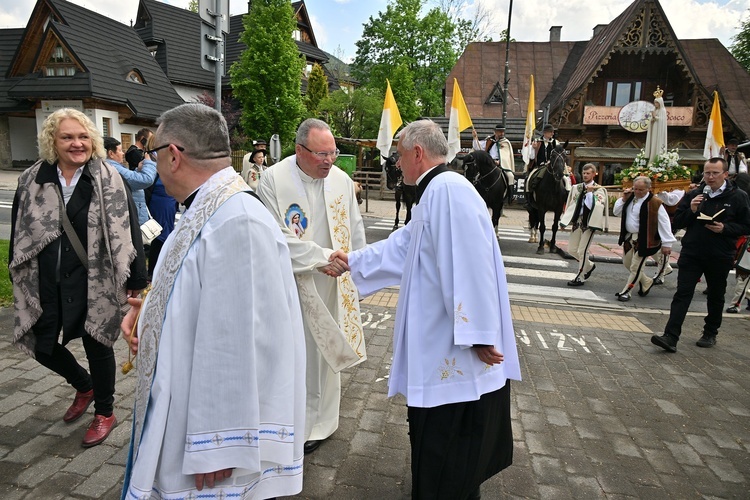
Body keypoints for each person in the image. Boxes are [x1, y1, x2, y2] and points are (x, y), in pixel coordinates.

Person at [120, 103, 306, 499]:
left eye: (155, 153)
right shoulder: (207, 207)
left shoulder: (236, 219)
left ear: (173, 154)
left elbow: (236, 338)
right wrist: (150, 313)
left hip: (204, 432)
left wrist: (221, 443)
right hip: (185, 395)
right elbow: (196, 294)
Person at [329, 120, 521, 499]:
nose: (397, 165)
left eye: (399, 156)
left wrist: (479, 334)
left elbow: (471, 262)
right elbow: (406, 245)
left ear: (417, 153)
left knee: (449, 440)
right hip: (441, 340)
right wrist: (354, 260)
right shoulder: (437, 191)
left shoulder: (447, 191)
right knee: (438, 439)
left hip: (454, 344)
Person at [8, 108, 147, 447]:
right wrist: (17, 267)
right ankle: (83, 385)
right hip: (46, 279)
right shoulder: (32, 179)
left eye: (83, 136)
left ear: (93, 140)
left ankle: (105, 411)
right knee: (41, 344)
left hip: (94, 278)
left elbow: (130, 228)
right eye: (67, 137)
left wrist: (137, 279)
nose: (77, 143)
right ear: (52, 141)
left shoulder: (108, 178)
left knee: (97, 343)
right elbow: (18, 229)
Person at [256, 118, 366, 455]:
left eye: (333, 153)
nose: (329, 161)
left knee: (325, 353)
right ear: (299, 150)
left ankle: (322, 422)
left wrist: (357, 268)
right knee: (294, 353)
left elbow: (355, 227)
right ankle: (289, 419)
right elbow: (274, 236)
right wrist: (321, 257)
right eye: (321, 154)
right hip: (292, 280)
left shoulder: (342, 181)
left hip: (333, 283)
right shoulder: (273, 179)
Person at [651, 157, 750, 352]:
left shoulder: (738, 196)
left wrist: (724, 228)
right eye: (707, 173)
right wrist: (693, 210)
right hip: (692, 251)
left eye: (715, 173)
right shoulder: (695, 194)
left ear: (725, 175)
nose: (710, 177)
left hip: (720, 254)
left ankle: (710, 332)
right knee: (682, 293)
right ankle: (670, 336)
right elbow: (677, 222)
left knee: (715, 295)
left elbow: (746, 225)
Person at [612, 176, 676, 301]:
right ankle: (646, 281)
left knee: (636, 267)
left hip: (645, 240)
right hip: (629, 238)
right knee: (627, 263)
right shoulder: (630, 199)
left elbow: (664, 222)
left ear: (648, 189)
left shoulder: (655, 203)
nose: (637, 192)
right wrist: (623, 199)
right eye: (635, 189)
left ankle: (626, 291)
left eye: (641, 190)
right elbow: (616, 212)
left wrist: (667, 243)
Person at [560, 163, 609, 286]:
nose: (585, 175)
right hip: (577, 222)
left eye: (588, 173)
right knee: (571, 250)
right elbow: (570, 204)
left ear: (594, 174)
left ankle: (580, 276)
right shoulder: (576, 188)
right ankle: (589, 265)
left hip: (589, 224)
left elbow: (598, 206)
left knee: (582, 251)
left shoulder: (600, 190)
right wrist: (565, 220)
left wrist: (590, 194)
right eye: (584, 173)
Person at [103, 136, 157, 226]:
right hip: (132, 219)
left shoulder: (111, 167)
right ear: (111, 153)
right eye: (120, 150)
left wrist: (138, 170)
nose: (123, 153)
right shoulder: (113, 168)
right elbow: (146, 180)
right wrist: (148, 162)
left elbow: (130, 180)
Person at [725, 172, 750, 313]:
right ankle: (737, 303)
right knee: (744, 272)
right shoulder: (741, 196)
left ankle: (736, 303)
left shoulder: (740, 196)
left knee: (744, 273)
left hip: (743, 239)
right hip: (745, 239)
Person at [651, 188, 684, 284]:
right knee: (650, 246)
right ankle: (667, 268)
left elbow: (670, 200)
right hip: (655, 220)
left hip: (670, 222)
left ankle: (660, 274)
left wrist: (658, 190)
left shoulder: (679, 190)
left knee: (663, 248)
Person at [644, 87, 668, 164]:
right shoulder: (656, 110)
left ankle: (658, 159)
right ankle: (651, 158)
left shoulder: (663, 110)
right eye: (655, 102)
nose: (655, 104)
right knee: (653, 142)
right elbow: (653, 120)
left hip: (659, 130)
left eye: (656, 102)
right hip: (655, 128)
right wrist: (652, 119)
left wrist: (655, 117)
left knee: (657, 143)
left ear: (660, 103)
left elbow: (662, 120)